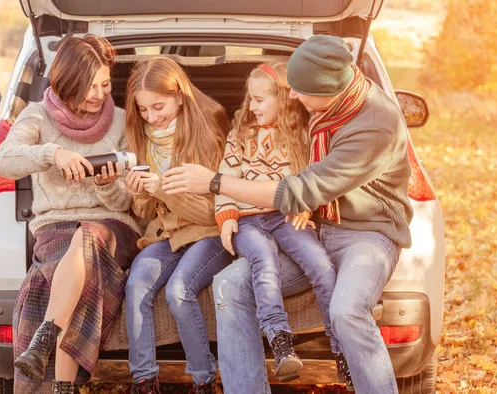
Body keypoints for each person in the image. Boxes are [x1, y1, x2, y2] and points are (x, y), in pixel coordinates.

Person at [161, 35, 413, 394]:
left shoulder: (375, 124)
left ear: (327, 90)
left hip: (365, 234)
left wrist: (216, 183)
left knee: (347, 310)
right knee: (229, 285)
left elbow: (297, 191)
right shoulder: (324, 108)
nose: (291, 97)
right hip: (310, 227)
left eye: (299, 90)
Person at [0, 35, 141, 394]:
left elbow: (127, 204)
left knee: (88, 236)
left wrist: (107, 185)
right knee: (75, 268)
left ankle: (44, 337)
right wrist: (52, 154)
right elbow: (4, 161)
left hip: (113, 227)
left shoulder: (122, 123)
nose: (98, 94)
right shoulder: (38, 117)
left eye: (105, 84)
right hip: (56, 229)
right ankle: (64, 387)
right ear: (66, 83)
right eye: (88, 86)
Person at [214, 62, 347, 383]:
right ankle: (280, 342)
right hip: (247, 220)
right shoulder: (240, 136)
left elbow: (312, 178)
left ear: (282, 100)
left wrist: (306, 205)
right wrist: (226, 217)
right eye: (250, 100)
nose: (252, 107)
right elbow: (224, 178)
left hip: (283, 215)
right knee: (263, 259)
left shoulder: (301, 136)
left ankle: (341, 348)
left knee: (321, 264)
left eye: (260, 100)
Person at [122, 57, 233, 394]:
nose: (152, 117)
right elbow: (145, 215)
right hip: (168, 233)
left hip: (210, 231)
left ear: (180, 97)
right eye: (143, 110)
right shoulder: (142, 135)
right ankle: (143, 380)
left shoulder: (209, 127)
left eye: (159, 107)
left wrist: (165, 192)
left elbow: (216, 209)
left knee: (178, 290)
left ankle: (203, 381)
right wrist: (137, 193)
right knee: (137, 283)